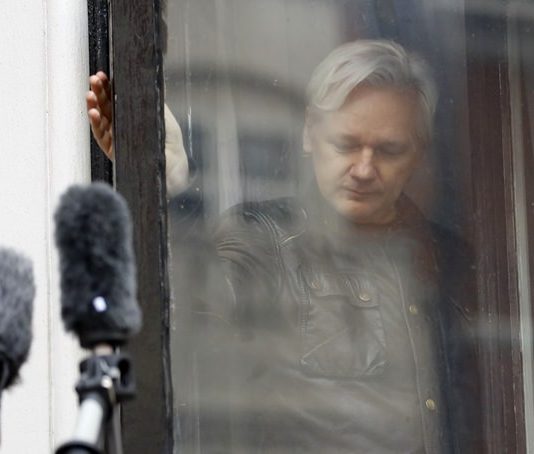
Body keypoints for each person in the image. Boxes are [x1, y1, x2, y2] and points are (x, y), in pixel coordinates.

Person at [87, 39, 482, 453]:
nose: (365, 169)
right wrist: (165, 192)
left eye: (389, 150)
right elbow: (186, 310)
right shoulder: (266, 236)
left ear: (418, 151)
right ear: (310, 132)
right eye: (346, 144)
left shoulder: (442, 254)